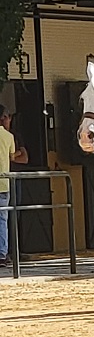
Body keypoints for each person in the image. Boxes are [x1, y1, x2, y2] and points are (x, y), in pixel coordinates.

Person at [0, 105, 17, 267]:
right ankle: (2, 254)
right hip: (3, 183)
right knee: (2, 219)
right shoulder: (8, 136)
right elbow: (12, 157)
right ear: (3, 118)